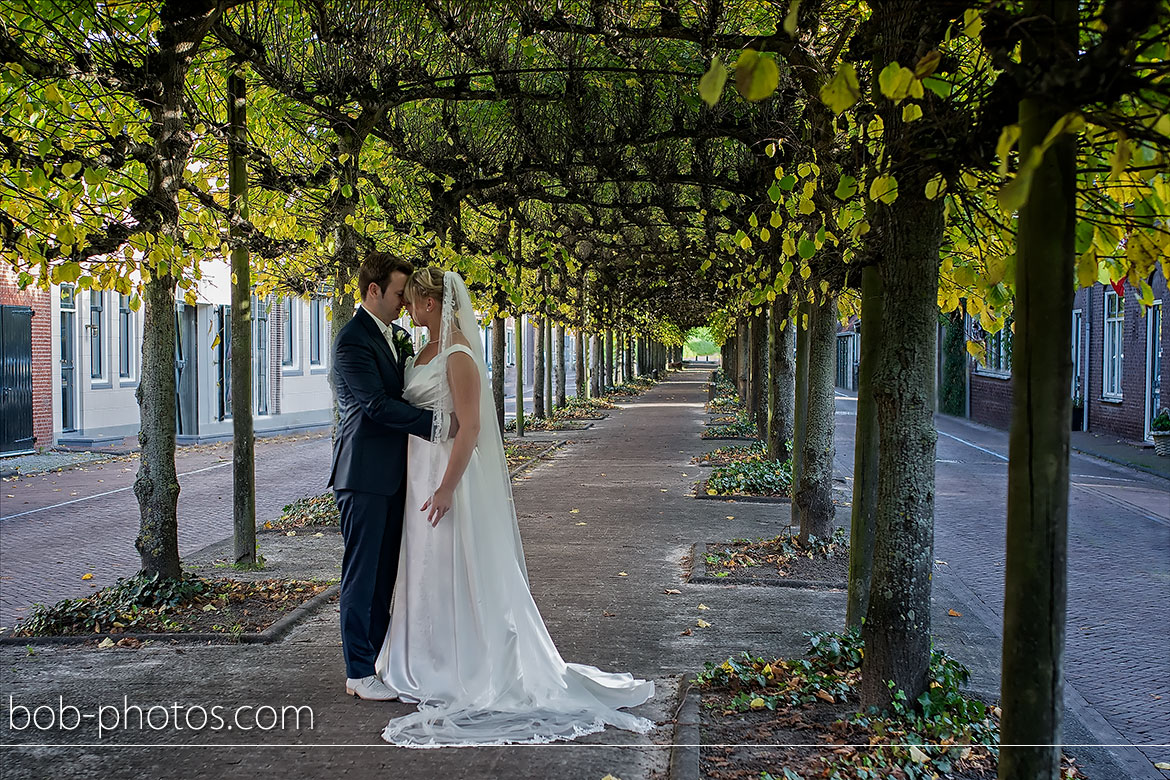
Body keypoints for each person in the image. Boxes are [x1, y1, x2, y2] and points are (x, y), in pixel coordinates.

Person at [375, 267, 654, 747]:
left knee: (453, 566)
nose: (409, 306)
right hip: (418, 471)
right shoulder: (423, 347)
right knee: (425, 567)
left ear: (433, 303)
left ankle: (458, 663)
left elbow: (473, 428)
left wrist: (445, 487)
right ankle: (423, 655)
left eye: (415, 299)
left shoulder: (459, 355)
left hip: (446, 477)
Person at [329, 252, 446, 701]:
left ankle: (376, 661)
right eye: (399, 293)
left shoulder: (395, 337)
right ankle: (358, 672)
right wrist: (437, 425)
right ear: (373, 291)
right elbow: (375, 405)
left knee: (385, 576)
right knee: (362, 575)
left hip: (397, 474)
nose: (404, 302)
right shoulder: (352, 340)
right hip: (362, 474)